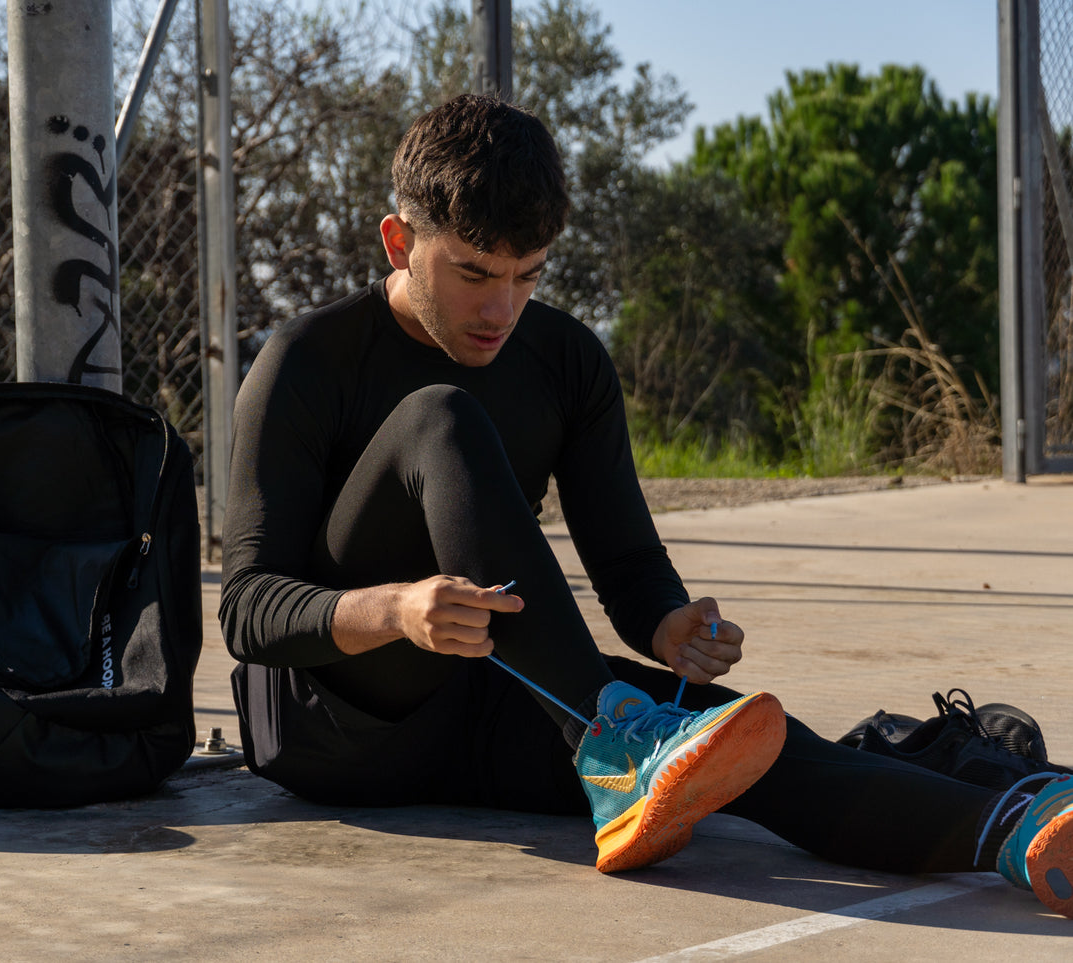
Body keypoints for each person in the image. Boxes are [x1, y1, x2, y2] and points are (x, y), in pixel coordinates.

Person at [218, 93, 1073, 914]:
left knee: (740, 741)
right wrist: (398, 609)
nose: (500, 308)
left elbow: (625, 564)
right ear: (399, 240)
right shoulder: (307, 359)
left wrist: (666, 623)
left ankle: (1021, 826)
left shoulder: (564, 359)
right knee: (439, 419)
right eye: (474, 272)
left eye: (527, 275)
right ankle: (619, 736)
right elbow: (249, 609)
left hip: (484, 705)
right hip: (332, 723)